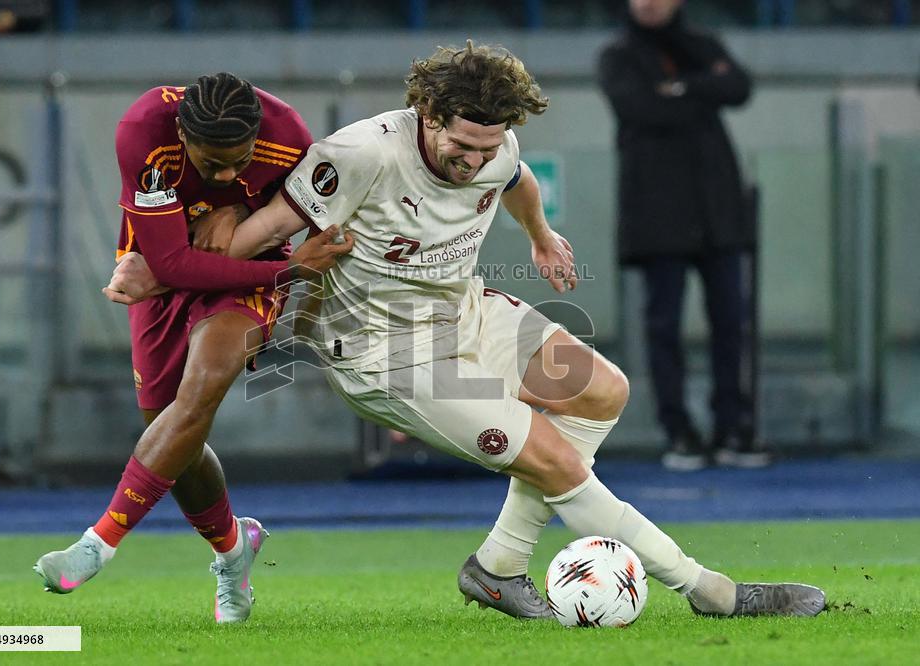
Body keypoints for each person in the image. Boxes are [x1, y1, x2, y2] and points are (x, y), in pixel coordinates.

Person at [107, 43, 824, 621]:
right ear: (426, 112)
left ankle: (498, 569)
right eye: (461, 147)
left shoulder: (496, 148)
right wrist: (162, 273)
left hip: (461, 311)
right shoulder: (357, 155)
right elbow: (254, 240)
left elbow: (514, 181)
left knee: (604, 392)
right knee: (557, 463)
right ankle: (713, 592)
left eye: (487, 147)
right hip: (385, 354)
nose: (473, 161)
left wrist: (541, 235)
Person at [33, 73, 353, 624]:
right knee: (173, 437)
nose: (228, 173)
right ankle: (233, 552)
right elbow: (173, 265)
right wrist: (292, 265)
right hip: (162, 278)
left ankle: (96, 544)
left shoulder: (291, 136)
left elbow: (294, 211)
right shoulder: (143, 130)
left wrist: (235, 219)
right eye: (212, 164)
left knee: (201, 389)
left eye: (240, 161)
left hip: (249, 279)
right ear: (183, 135)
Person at [598, 0, 769, 471]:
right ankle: (678, 430)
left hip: (718, 212)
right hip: (658, 215)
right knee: (664, 327)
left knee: (732, 322)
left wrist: (680, 87)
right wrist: (701, 88)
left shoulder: (703, 44)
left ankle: (734, 427)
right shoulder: (618, 55)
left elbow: (737, 87)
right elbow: (642, 108)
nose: (650, 3)